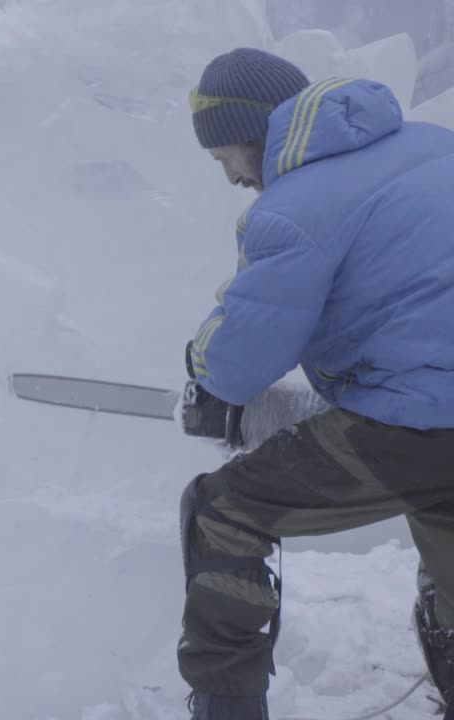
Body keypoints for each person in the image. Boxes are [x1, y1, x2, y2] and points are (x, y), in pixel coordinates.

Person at [177, 47, 454, 720]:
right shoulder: (432, 144)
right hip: (431, 414)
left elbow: (242, 359)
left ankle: (227, 708)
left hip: (422, 423)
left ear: (249, 135)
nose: (232, 178)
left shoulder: (291, 210)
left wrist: (201, 368)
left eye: (224, 161)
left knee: (222, 512)